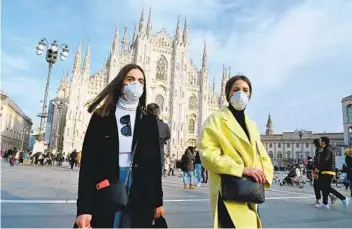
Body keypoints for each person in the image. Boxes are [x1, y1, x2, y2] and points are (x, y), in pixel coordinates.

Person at [75, 64, 164, 228]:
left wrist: (158, 201)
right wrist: (84, 208)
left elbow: (155, 165)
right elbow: (88, 165)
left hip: (140, 187)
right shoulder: (101, 116)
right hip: (108, 184)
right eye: (130, 79)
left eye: (140, 81)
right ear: (120, 83)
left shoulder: (149, 120)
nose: (136, 84)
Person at [199, 75, 273, 228]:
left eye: (245, 90)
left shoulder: (252, 125)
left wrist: (264, 174)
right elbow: (208, 154)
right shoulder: (216, 119)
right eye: (236, 90)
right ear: (228, 94)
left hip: (251, 189)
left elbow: (262, 155)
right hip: (229, 189)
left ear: (250, 95)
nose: (241, 93)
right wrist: (241, 169)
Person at [315, 136, 350, 209]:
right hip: (326, 170)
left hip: (328, 171)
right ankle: (325, 204)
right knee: (324, 187)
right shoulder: (326, 148)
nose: (320, 143)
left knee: (326, 187)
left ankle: (344, 198)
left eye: (321, 141)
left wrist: (318, 168)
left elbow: (325, 160)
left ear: (324, 142)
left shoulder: (327, 149)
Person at [146, 103, 171, 174]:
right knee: (156, 177)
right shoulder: (164, 125)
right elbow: (168, 136)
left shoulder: (141, 123)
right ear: (158, 112)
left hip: (145, 156)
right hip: (158, 155)